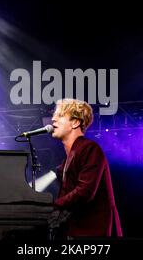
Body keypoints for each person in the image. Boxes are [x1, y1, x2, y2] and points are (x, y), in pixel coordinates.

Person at [48, 98, 122, 238]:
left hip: (93, 232)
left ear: (75, 123)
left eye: (60, 115)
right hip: (77, 230)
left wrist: (53, 205)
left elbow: (84, 192)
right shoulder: (70, 157)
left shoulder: (89, 149)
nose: (53, 119)